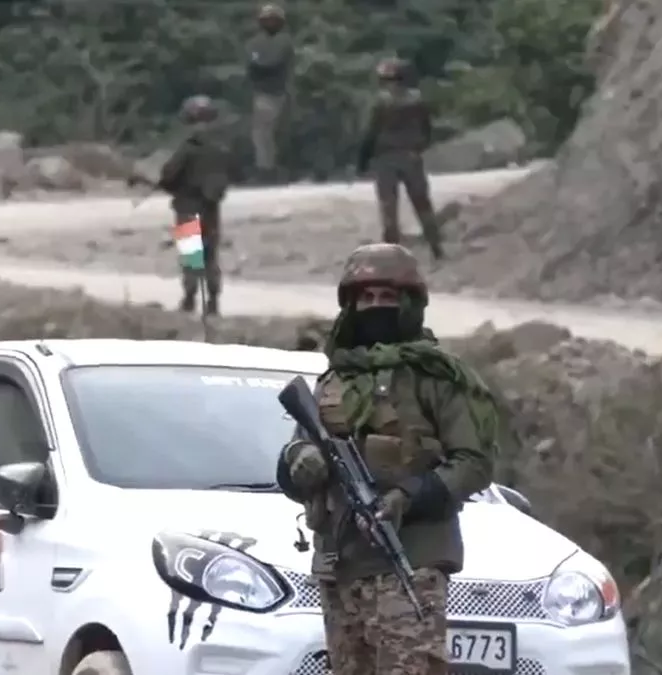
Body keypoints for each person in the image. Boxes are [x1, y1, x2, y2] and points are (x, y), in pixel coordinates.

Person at [275, 243, 499, 675]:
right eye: (366, 298)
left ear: (409, 304)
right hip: (340, 568)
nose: (376, 307)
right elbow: (293, 459)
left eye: (387, 297)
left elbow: (474, 462)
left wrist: (409, 496)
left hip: (409, 563)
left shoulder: (437, 377)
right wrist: (301, 460)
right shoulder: (335, 379)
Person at [356, 58, 444, 259]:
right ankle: (436, 248)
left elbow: (370, 133)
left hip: (386, 157)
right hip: (411, 155)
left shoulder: (380, 102)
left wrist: (362, 160)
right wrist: (420, 147)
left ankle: (392, 254)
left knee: (389, 207)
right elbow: (427, 129)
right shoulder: (417, 100)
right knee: (422, 203)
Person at [157, 95, 232, 316]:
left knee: (191, 255)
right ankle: (213, 301)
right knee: (210, 256)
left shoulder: (188, 148)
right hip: (211, 210)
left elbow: (169, 175)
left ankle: (190, 299)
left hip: (188, 208)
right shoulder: (221, 148)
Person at [245, 4, 294, 184]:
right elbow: (252, 64)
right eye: (267, 20)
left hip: (275, 92)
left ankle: (267, 170)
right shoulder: (255, 42)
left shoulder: (283, 41)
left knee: (265, 134)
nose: (270, 23)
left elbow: (271, 63)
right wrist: (257, 65)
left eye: (273, 20)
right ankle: (266, 170)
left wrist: (258, 64)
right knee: (262, 134)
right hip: (261, 92)